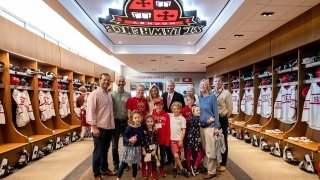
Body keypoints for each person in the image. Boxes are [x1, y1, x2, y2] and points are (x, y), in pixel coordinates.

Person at [86, 73, 116, 180]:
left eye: (108, 80)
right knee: (98, 151)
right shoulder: (94, 94)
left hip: (108, 127)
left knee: (105, 150)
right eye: (104, 80)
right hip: (99, 128)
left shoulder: (108, 94)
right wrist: (94, 127)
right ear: (99, 80)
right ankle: (96, 174)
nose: (106, 82)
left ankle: (104, 168)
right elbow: (91, 112)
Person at [198, 79, 220, 179]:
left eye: (204, 85)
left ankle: (212, 171)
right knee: (205, 148)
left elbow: (216, 113)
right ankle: (208, 167)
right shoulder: (200, 98)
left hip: (210, 127)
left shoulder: (212, 97)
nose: (202, 86)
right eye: (201, 85)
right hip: (202, 126)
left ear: (207, 86)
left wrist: (216, 126)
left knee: (210, 150)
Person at [110, 75, 131, 172]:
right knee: (114, 145)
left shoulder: (128, 95)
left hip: (125, 121)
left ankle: (125, 163)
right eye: (119, 81)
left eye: (123, 81)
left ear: (125, 83)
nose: (121, 83)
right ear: (116, 82)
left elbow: (129, 108)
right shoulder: (111, 94)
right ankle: (116, 165)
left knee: (126, 144)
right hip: (115, 121)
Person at [212, 75, 233, 172]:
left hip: (222, 119)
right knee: (213, 141)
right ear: (213, 82)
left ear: (222, 82)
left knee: (223, 141)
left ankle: (223, 163)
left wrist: (224, 117)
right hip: (212, 120)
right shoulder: (211, 93)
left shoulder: (226, 93)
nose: (217, 83)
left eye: (219, 81)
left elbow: (230, 109)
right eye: (215, 81)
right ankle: (215, 161)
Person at [161, 80, 184, 164]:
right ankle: (170, 158)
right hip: (166, 120)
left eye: (171, 86)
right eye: (168, 86)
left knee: (175, 138)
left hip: (175, 119)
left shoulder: (179, 96)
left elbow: (183, 108)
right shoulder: (163, 95)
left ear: (174, 86)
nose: (169, 87)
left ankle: (177, 157)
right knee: (168, 138)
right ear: (166, 86)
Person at [117, 110, 144, 180]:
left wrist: (143, 148)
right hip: (129, 148)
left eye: (139, 117)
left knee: (134, 164)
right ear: (132, 119)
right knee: (124, 163)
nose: (137, 119)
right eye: (135, 118)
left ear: (141, 118)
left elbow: (143, 137)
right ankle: (118, 178)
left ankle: (133, 177)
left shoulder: (141, 127)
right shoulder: (129, 127)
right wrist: (129, 140)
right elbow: (124, 137)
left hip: (137, 148)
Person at [169, 101, 190, 178]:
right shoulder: (170, 116)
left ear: (180, 109)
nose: (176, 110)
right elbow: (161, 112)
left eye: (178, 109)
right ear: (172, 109)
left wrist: (181, 140)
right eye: (174, 109)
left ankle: (175, 168)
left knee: (178, 156)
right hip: (173, 140)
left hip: (179, 139)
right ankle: (182, 168)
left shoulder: (182, 119)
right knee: (175, 154)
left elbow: (184, 130)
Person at [151, 99, 170, 177]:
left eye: (160, 105)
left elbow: (168, 128)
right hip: (153, 139)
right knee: (153, 154)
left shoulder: (166, 115)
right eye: (157, 105)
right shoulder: (152, 114)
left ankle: (162, 168)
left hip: (163, 138)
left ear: (162, 106)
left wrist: (167, 140)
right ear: (154, 106)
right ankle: (154, 170)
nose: (158, 106)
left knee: (163, 154)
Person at [185, 106, 205, 176]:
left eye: (199, 110)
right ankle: (194, 167)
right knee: (201, 152)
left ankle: (189, 168)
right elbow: (202, 124)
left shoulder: (192, 118)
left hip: (190, 138)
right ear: (193, 112)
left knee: (189, 153)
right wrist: (210, 120)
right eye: (197, 110)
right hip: (194, 138)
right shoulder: (196, 118)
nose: (199, 111)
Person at [141, 114, 159, 180]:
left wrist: (155, 150)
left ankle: (149, 175)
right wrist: (143, 150)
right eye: (148, 122)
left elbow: (156, 141)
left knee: (151, 163)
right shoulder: (143, 131)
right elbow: (141, 141)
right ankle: (144, 175)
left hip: (152, 150)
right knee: (144, 162)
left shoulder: (155, 131)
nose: (150, 123)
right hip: (145, 150)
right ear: (145, 122)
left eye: (151, 121)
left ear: (153, 122)